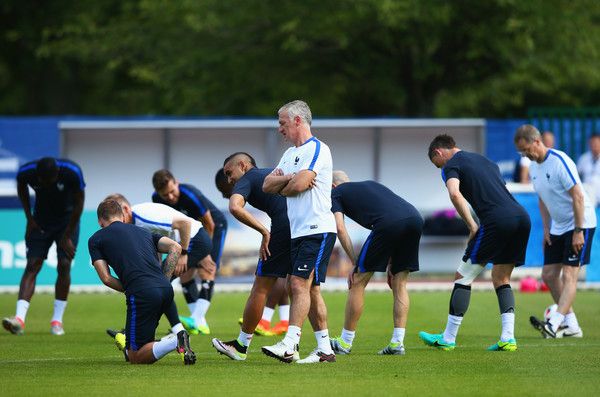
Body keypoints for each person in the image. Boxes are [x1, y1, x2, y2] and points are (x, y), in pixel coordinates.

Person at [419, 134, 531, 351]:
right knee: (500, 276)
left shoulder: (451, 165)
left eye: (436, 164)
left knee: (463, 276)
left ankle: (448, 338)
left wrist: (472, 225)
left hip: (497, 220)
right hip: (521, 218)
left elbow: (454, 194)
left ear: (438, 153)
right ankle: (508, 338)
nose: (439, 168)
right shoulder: (486, 161)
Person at [262, 100, 337, 364]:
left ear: (297, 121)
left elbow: (302, 183)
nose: (279, 129)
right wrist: (289, 180)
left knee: (297, 284)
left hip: (317, 228)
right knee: (311, 289)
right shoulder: (288, 154)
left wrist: (290, 181)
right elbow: (268, 185)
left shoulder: (317, 148)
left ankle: (290, 343)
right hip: (299, 231)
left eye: (282, 123)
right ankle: (325, 350)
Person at [88, 199, 195, 365]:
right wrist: (164, 279)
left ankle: (176, 340)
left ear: (100, 221)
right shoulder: (143, 232)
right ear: (122, 216)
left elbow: (106, 278)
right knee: (142, 345)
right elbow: (176, 247)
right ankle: (167, 340)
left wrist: (133, 288)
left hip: (142, 294)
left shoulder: (96, 239)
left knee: (135, 356)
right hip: (166, 290)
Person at [329, 171, 423, 356]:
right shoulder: (370, 184)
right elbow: (396, 214)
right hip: (415, 218)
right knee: (400, 283)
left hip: (388, 223)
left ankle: (344, 343)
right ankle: (397, 343)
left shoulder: (336, 193)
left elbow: (340, 228)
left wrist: (355, 263)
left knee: (357, 282)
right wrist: (391, 261)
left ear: (333, 185)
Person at [515, 125, 596, 338]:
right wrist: (546, 229)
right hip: (559, 226)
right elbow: (542, 199)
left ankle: (554, 323)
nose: (525, 155)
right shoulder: (533, 167)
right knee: (549, 275)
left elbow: (578, 196)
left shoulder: (559, 161)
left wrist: (578, 231)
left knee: (570, 274)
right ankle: (572, 325)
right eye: (522, 152)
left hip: (581, 222)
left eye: (526, 150)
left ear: (536, 142)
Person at [211, 153, 292, 360]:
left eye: (230, 173)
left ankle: (241, 346)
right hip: (305, 227)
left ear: (243, 165)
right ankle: (323, 345)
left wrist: (264, 232)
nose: (229, 180)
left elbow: (234, 207)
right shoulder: (270, 173)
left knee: (260, 287)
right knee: (304, 286)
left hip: (283, 227)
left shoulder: (247, 178)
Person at [105, 193, 215, 335]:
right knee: (156, 285)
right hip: (181, 244)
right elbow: (157, 243)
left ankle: (140, 332)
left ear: (126, 209)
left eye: (116, 218)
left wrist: (183, 253)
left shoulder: (144, 216)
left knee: (158, 286)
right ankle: (175, 330)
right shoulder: (133, 223)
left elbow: (185, 223)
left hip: (195, 241)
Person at [3, 157, 85, 336]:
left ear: (57, 175)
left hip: (68, 221)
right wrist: (29, 219)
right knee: (32, 264)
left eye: (49, 182)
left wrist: (67, 235)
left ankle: (57, 321)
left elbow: (80, 202)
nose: (45, 185)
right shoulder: (26, 172)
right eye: (42, 182)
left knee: (64, 265)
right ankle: (19, 320)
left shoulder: (72, 172)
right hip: (40, 221)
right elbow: (21, 187)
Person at [152, 170, 228, 334]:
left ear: (176, 183)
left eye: (172, 192)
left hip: (214, 227)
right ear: (158, 194)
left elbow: (210, 224)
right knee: (184, 271)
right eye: (165, 195)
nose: (170, 197)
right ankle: (199, 322)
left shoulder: (191, 195)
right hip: (190, 233)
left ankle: (196, 320)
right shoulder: (156, 199)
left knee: (207, 268)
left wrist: (205, 252)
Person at [577, 133, 600, 205]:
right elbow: (577, 175)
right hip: (586, 192)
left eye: (596, 143)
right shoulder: (583, 158)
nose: (594, 145)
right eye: (592, 143)